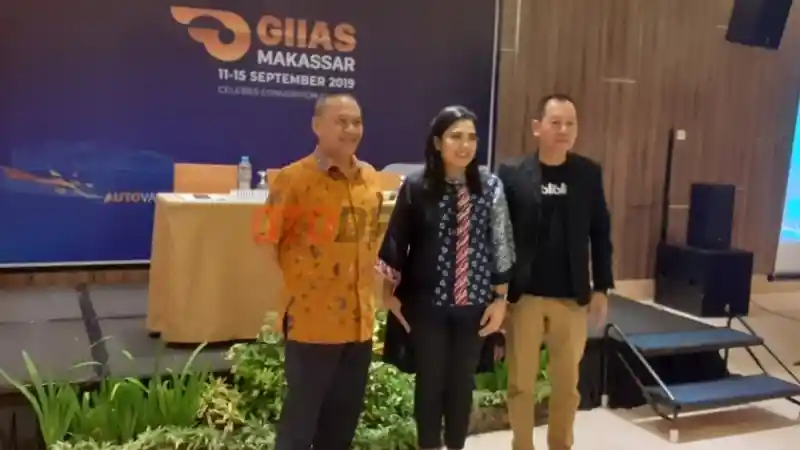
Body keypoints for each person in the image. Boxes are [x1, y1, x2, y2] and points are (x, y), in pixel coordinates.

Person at [377, 105, 515, 450]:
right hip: (426, 306)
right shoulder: (416, 186)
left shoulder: (490, 186)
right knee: (430, 384)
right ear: (438, 143)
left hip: (475, 306)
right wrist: (388, 295)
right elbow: (397, 241)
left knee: (461, 386)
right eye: (455, 137)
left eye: (471, 137)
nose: (464, 145)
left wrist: (500, 301)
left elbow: (501, 245)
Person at [265, 93, 384, 450]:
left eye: (357, 122)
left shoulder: (371, 179)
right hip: (312, 323)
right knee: (299, 428)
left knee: (341, 427)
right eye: (341, 121)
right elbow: (266, 241)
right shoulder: (292, 180)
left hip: (359, 324)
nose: (351, 129)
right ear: (317, 126)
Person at [497, 93, 614, 450]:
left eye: (570, 123)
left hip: (571, 298)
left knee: (567, 386)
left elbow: (600, 232)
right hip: (525, 297)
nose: (563, 130)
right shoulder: (512, 173)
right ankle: (522, 445)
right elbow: (499, 236)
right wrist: (498, 293)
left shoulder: (588, 173)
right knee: (520, 384)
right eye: (555, 122)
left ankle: (560, 445)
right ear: (537, 127)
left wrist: (602, 287)